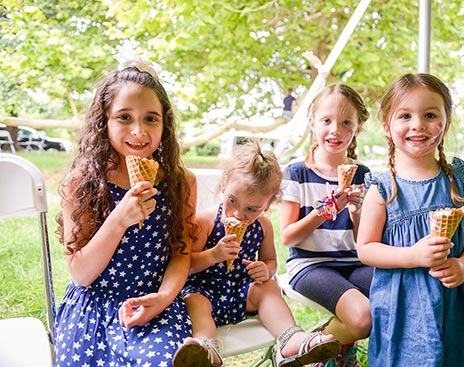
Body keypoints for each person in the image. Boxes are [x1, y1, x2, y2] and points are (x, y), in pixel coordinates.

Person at [53, 55, 196, 366]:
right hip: (94, 307)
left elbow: (181, 253)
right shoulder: (82, 183)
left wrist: (163, 298)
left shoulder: (181, 183)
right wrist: (119, 219)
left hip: (154, 303)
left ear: (165, 125)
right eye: (124, 117)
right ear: (103, 121)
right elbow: (81, 273)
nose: (139, 131)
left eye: (151, 118)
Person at [357, 73, 464, 366]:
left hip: (454, 300)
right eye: (405, 115)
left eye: (430, 114)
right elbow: (366, 249)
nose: (418, 124)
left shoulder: (459, 182)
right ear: (387, 127)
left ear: (445, 123)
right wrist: (413, 255)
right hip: (402, 304)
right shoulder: (383, 190)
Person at [174, 140, 341, 367]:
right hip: (205, 290)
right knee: (195, 300)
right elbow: (188, 265)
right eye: (233, 201)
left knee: (269, 287)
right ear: (223, 185)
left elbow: (271, 261)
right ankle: (206, 348)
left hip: (243, 291)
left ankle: (290, 338)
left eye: (252, 209)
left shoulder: (263, 226)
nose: (239, 213)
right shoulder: (205, 221)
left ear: (268, 204)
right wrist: (214, 255)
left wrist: (266, 269)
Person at [280, 83, 373, 367]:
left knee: (401, 293)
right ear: (312, 123)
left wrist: (357, 211)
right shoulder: (297, 172)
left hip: (353, 262)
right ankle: (306, 351)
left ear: (357, 128)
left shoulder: (363, 173)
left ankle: (331, 352)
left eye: (346, 123)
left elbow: (364, 240)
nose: (336, 130)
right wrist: (323, 212)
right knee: (362, 318)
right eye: (327, 121)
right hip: (310, 264)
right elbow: (288, 237)